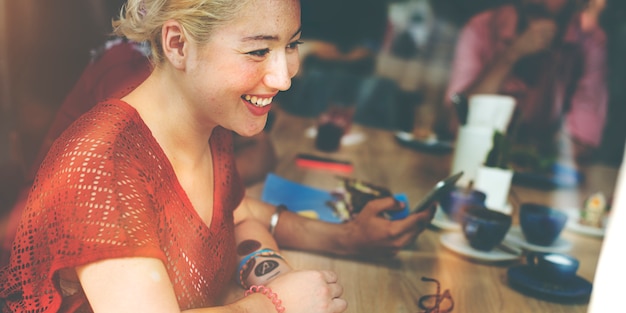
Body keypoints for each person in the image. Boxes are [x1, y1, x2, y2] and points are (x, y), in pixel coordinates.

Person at [0, 0, 435, 311]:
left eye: (292, 45)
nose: (283, 77)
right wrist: (276, 304)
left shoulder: (212, 125)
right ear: (177, 44)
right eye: (258, 50)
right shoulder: (104, 162)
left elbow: (237, 217)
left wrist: (270, 269)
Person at [444, 0, 608, 163]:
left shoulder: (589, 43)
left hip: (541, 181)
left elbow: (582, 141)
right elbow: (457, 122)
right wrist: (510, 56)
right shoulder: (482, 27)